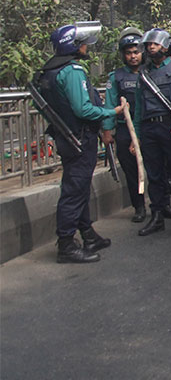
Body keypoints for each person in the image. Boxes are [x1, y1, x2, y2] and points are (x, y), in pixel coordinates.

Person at [35, 22, 122, 263]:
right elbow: (83, 109)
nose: (85, 46)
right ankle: (66, 244)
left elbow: (42, 105)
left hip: (67, 136)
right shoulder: (72, 71)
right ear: (73, 46)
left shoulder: (47, 72)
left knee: (79, 186)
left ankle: (87, 234)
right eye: (82, 43)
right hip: (79, 138)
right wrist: (110, 112)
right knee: (74, 190)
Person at [131, 28, 171, 237]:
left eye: (155, 45)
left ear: (165, 47)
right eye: (148, 45)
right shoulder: (144, 73)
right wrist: (137, 135)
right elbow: (139, 107)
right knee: (154, 175)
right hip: (149, 128)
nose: (150, 48)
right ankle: (156, 216)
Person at [102, 28, 146, 224]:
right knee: (131, 171)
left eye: (136, 52)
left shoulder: (149, 73)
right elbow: (110, 104)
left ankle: (161, 206)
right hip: (124, 129)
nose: (133, 56)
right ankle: (139, 207)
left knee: (155, 167)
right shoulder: (116, 77)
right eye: (128, 53)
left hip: (147, 128)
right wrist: (107, 131)